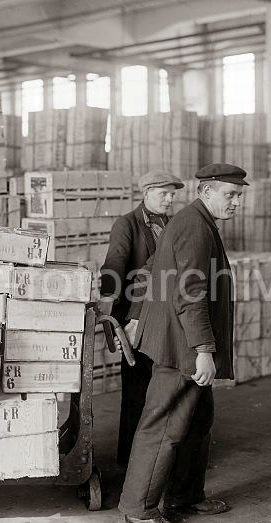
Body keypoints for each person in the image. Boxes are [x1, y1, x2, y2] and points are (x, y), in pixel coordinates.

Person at [118, 163, 248, 523]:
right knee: (165, 424)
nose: (236, 202)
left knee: (197, 420)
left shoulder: (198, 221)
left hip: (184, 341)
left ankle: (185, 495)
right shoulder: (193, 225)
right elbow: (190, 293)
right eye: (229, 194)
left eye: (239, 195)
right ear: (206, 191)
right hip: (182, 346)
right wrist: (204, 349)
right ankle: (139, 509)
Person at [99, 170, 184, 467]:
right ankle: (130, 460)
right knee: (137, 390)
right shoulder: (127, 224)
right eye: (164, 193)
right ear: (146, 193)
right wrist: (108, 301)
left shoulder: (173, 224)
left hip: (165, 316)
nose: (170, 199)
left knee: (163, 388)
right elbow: (115, 262)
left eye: (173, 194)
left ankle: (159, 457)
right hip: (135, 318)